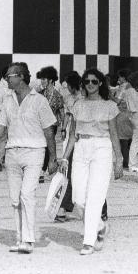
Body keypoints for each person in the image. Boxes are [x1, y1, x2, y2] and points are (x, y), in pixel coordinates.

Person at [0, 62, 58, 254]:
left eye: (9, 76)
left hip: (35, 151)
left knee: (27, 194)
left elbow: (49, 130)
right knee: (15, 198)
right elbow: (0, 125)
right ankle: (19, 238)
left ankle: (29, 239)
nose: (6, 79)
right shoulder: (8, 100)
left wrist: (53, 157)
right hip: (12, 152)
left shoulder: (39, 100)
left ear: (21, 77)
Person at [58, 68, 123, 255]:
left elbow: (113, 134)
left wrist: (119, 159)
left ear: (101, 83)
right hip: (81, 148)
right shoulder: (78, 105)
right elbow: (71, 135)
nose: (90, 85)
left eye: (94, 82)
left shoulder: (109, 105)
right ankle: (100, 226)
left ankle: (88, 241)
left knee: (95, 196)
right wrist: (64, 157)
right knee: (78, 198)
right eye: (87, 82)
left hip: (102, 148)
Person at [55, 71, 82, 221]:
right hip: (77, 138)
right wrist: (64, 128)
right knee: (72, 174)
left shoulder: (78, 99)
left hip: (78, 140)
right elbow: (68, 115)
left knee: (71, 174)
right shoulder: (75, 98)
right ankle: (64, 206)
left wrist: (64, 129)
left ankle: (63, 207)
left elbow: (69, 116)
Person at [37, 66, 64, 181]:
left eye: (44, 79)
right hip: (39, 125)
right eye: (41, 79)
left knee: (47, 147)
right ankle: (46, 168)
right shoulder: (40, 94)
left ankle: (42, 171)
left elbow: (62, 112)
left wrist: (63, 128)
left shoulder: (57, 95)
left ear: (51, 80)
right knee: (41, 147)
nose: (42, 81)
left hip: (51, 126)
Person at [121, 71, 138, 173]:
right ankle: (132, 164)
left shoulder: (129, 91)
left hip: (134, 116)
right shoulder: (132, 91)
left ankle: (133, 163)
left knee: (136, 140)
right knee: (137, 141)